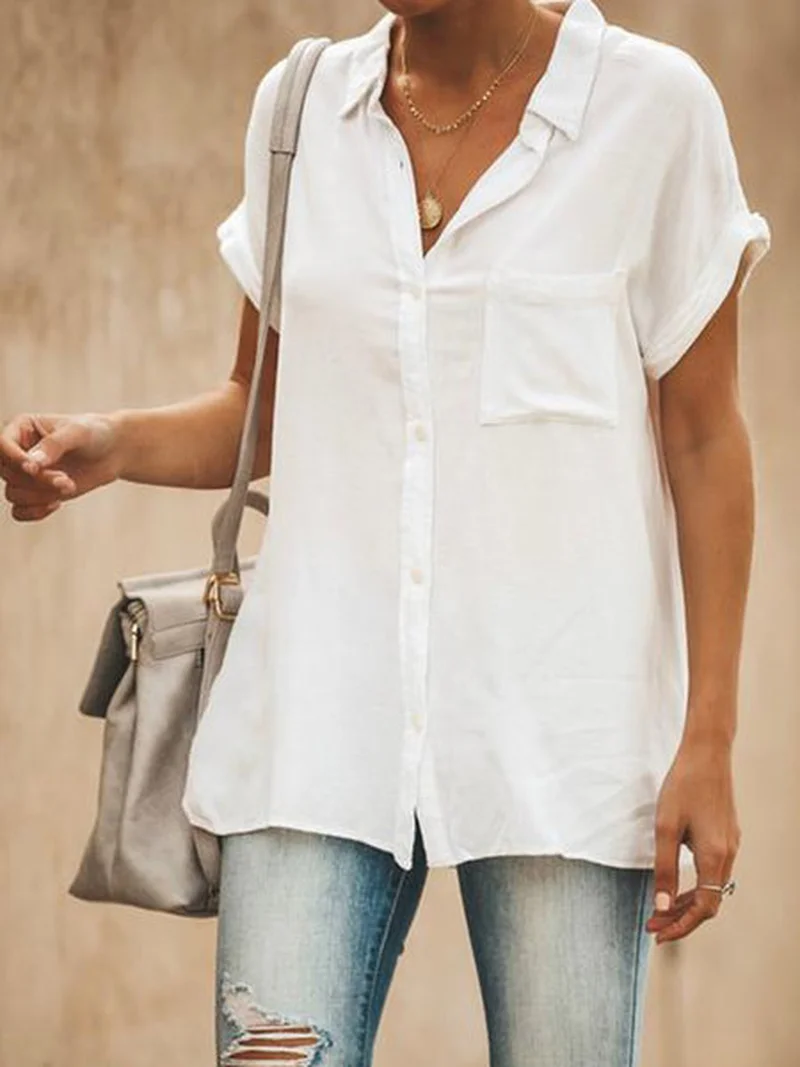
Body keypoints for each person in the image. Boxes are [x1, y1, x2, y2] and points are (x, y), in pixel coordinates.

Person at [1, 0, 770, 1064]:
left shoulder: (652, 111)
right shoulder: (300, 110)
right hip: (316, 724)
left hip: (563, 737)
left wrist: (708, 739)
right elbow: (265, 402)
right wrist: (114, 442)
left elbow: (703, 439)